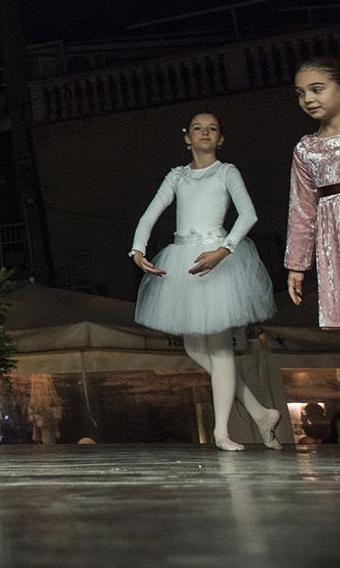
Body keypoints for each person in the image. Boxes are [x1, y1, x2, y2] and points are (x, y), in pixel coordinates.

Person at [130, 112, 279, 450]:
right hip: (184, 260)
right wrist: (137, 250)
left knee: (220, 347)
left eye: (213, 128)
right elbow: (149, 214)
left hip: (217, 261)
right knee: (194, 346)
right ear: (187, 137)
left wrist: (224, 250)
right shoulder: (177, 176)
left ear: (221, 138)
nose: (205, 133)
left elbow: (249, 214)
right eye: (198, 128)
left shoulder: (227, 172)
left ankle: (221, 432)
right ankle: (260, 413)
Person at [287, 57, 340, 330]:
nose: (308, 99)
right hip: (334, 238)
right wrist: (297, 265)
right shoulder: (307, 149)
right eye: (301, 93)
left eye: (317, 89)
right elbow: (302, 210)